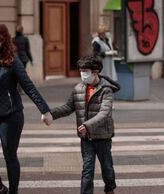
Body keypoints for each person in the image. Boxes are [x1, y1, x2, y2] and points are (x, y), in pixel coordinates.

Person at [0, 24, 53, 194]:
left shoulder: (13, 61)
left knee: (9, 156)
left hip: (10, 116)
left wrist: (45, 110)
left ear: (3, 40)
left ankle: (13, 191)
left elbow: (28, 86)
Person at [49, 55, 119, 194]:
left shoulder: (106, 90)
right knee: (87, 169)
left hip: (103, 137)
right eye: (81, 71)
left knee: (107, 167)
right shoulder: (78, 89)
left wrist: (87, 124)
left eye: (85, 71)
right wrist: (50, 114)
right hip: (86, 137)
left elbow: (104, 113)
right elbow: (68, 107)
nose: (82, 74)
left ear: (95, 71)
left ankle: (110, 188)